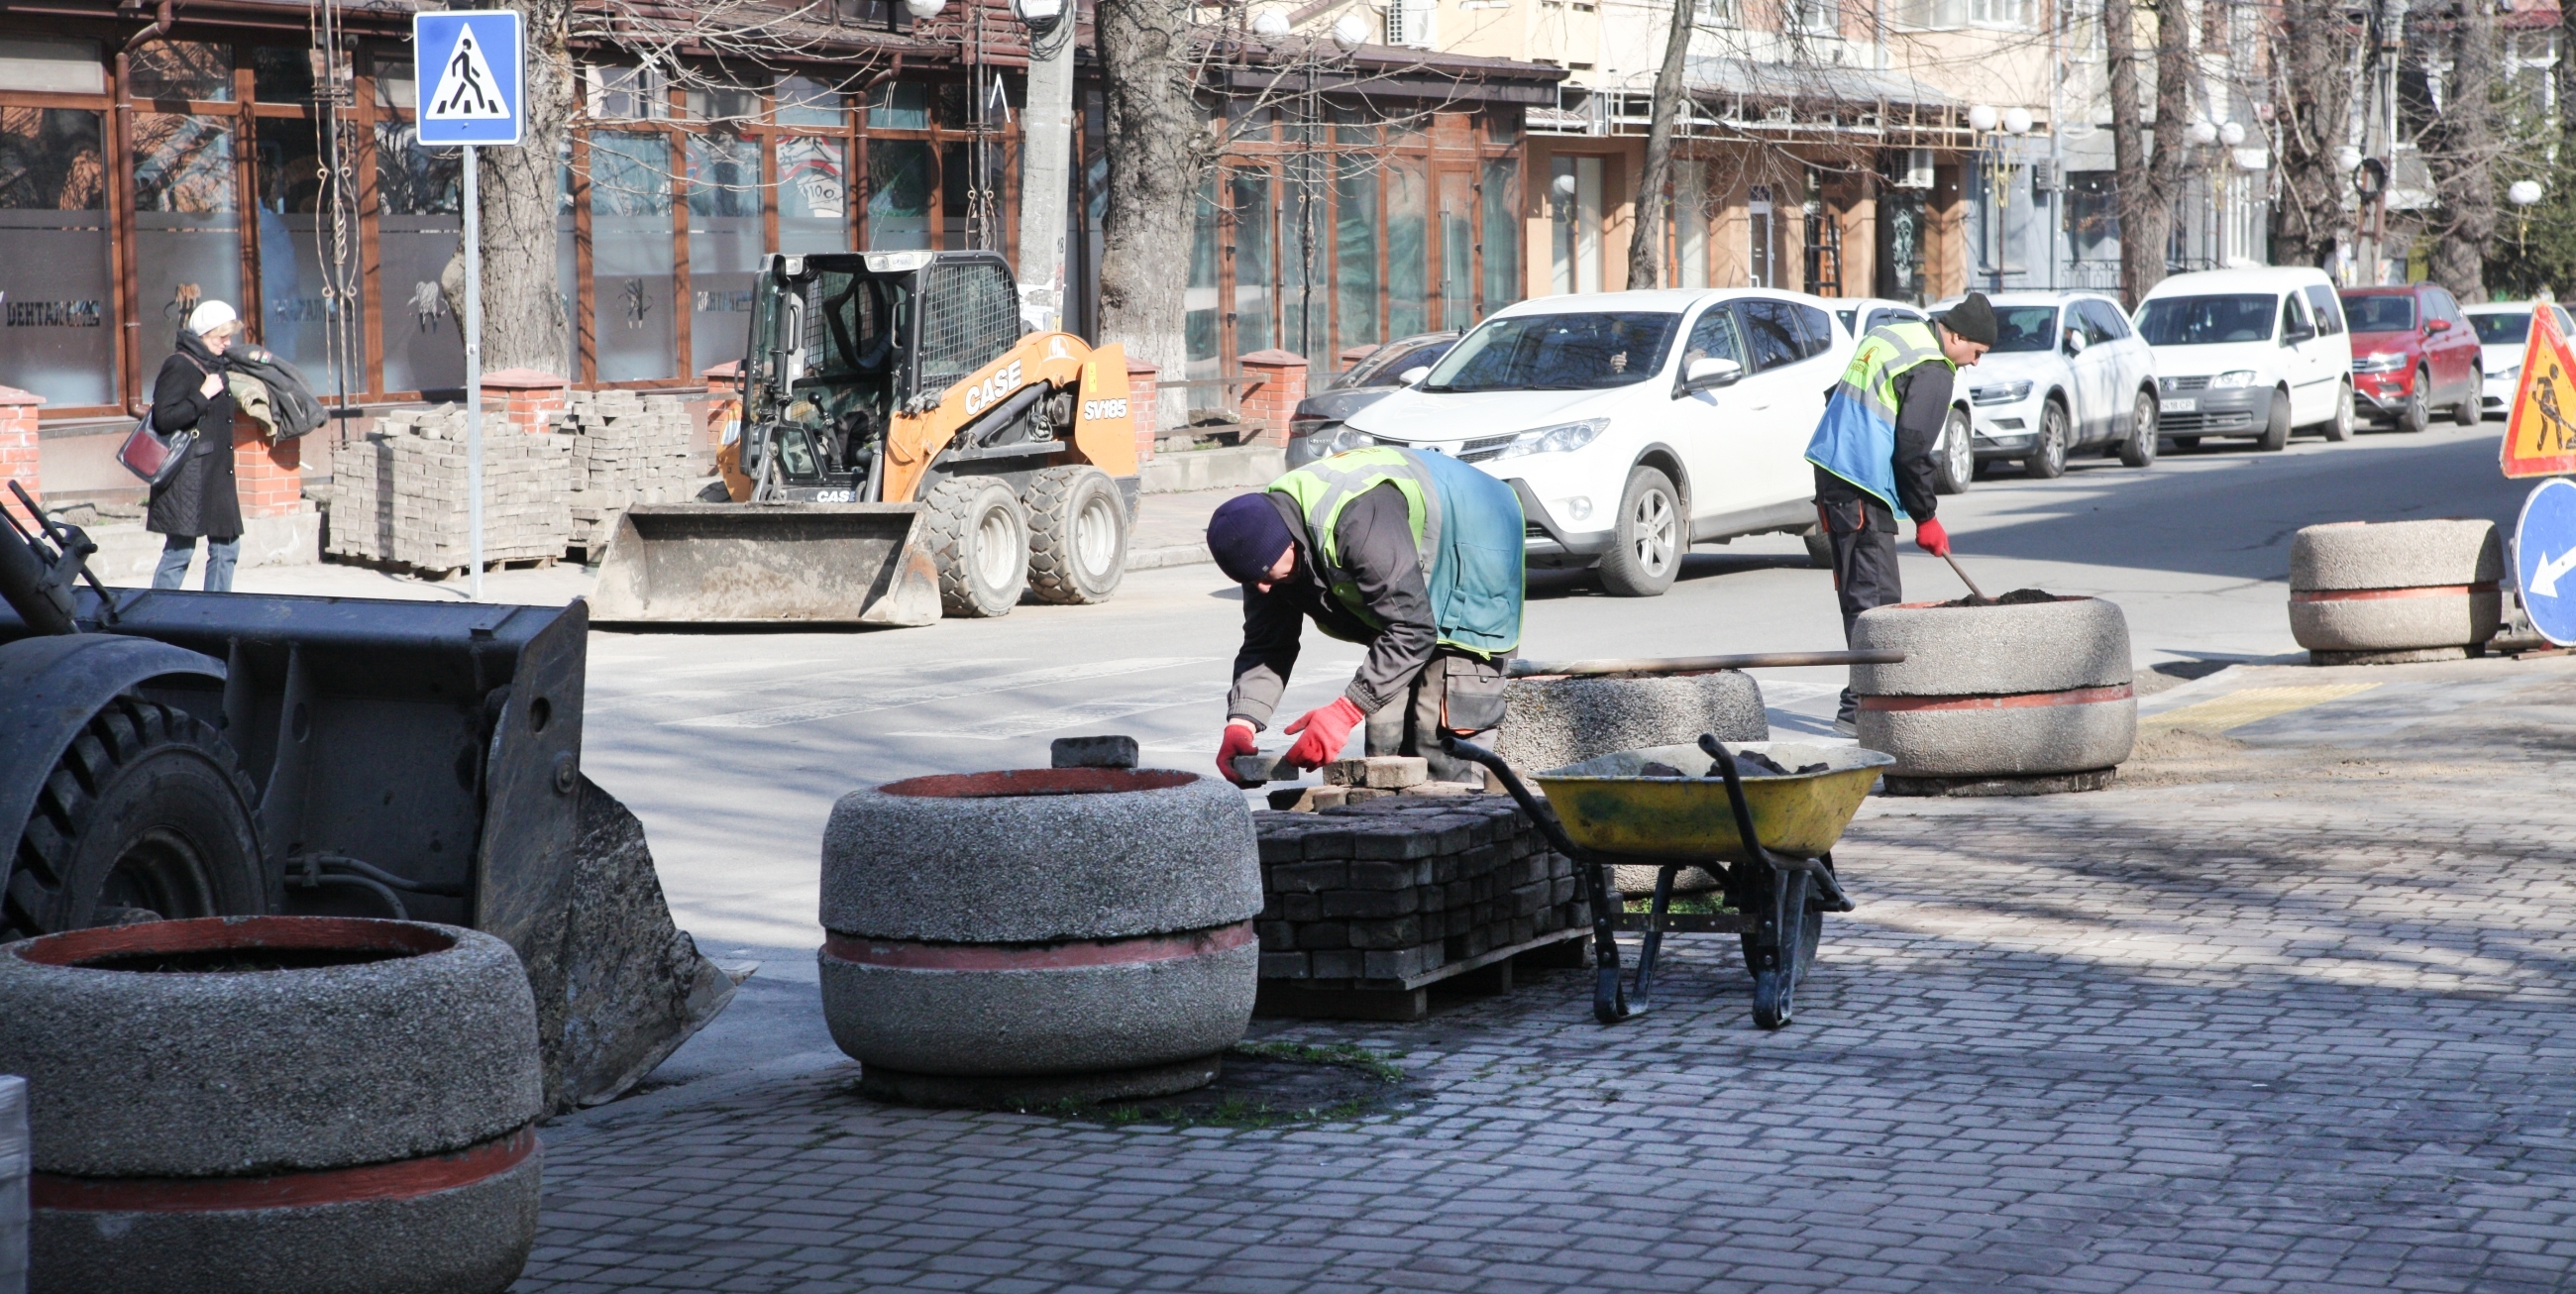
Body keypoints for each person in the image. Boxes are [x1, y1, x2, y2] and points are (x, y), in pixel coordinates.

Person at [1206, 446, 1526, 786]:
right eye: (1251, 580)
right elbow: (1267, 643)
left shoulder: (1354, 522)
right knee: (1385, 745)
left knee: (1440, 742)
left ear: (1288, 545)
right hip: (1397, 559)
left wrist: (1343, 713)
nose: (1262, 588)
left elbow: (1413, 629)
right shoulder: (1260, 541)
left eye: (1267, 574)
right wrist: (1241, 722)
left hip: (1475, 530)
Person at [1805, 292, 1996, 733]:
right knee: (1876, 601)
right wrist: (1926, 517)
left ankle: (1864, 703)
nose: (1974, 363)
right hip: (1859, 480)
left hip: (1835, 469)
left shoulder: (1895, 331)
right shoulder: (1934, 369)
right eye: (1977, 352)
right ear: (1959, 336)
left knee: (1863, 593)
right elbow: (1912, 452)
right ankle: (1862, 710)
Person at [149, 300, 247, 593]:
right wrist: (202, 395)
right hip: (188, 474)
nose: (227, 343)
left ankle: (214, 617)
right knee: (180, 551)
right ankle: (156, 617)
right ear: (203, 335)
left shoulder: (218, 365)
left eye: (229, 337)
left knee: (226, 548)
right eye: (221, 337)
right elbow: (164, 419)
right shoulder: (179, 364)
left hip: (217, 471)